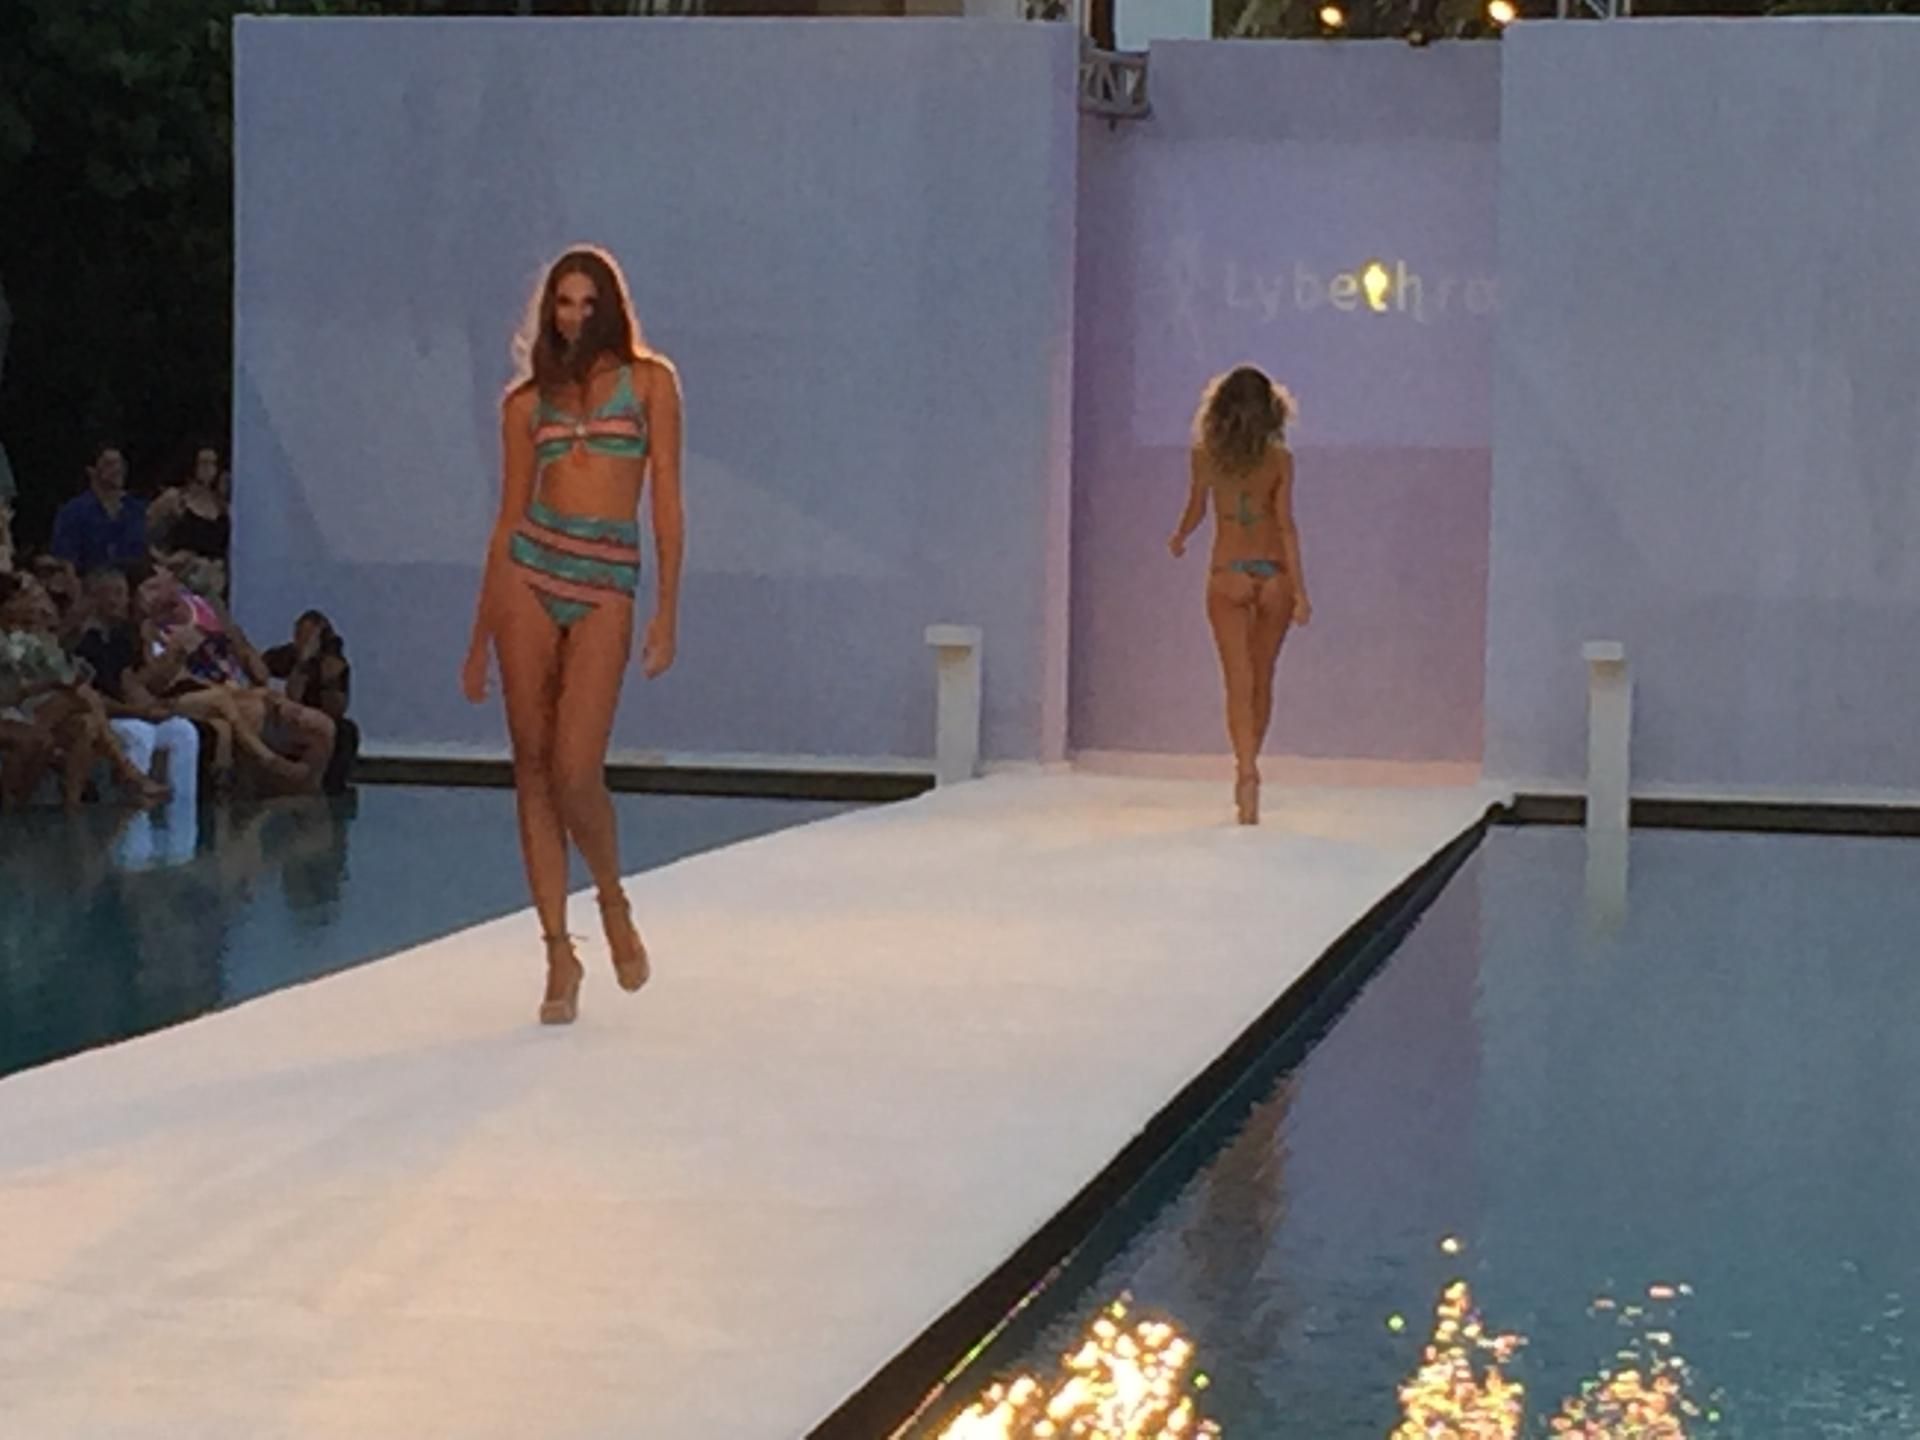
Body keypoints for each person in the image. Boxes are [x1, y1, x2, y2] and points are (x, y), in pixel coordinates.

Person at [462, 245, 684, 1025]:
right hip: (530, 573)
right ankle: (558, 952)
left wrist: (667, 612)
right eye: (564, 303)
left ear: (611, 307)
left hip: (606, 583)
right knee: (531, 767)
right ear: (549, 310)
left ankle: (613, 900)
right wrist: (478, 638)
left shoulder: (651, 384)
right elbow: (507, 520)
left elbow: (666, 503)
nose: (576, 317)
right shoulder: (527, 403)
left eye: (590, 303)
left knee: (576, 768)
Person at [1167, 366, 1311, 825]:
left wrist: (1180, 536)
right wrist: (1300, 590)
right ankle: (1253, 764)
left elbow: (1196, 508)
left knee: (1238, 681)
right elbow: (1285, 525)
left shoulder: (1206, 456)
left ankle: (1245, 770)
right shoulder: (1279, 459)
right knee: (1263, 678)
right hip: (1273, 574)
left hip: (1228, 571)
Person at [74, 564, 201, 809]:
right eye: (116, 594)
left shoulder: (119, 638)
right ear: (96, 598)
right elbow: (91, 696)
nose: (123, 601)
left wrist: (154, 707)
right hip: (105, 715)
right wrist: (139, 712)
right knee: (139, 732)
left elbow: (128, 682)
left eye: (123, 593)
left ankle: (182, 810)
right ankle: (133, 805)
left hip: (126, 710)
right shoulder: (84, 641)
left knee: (182, 730)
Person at [263, 609, 358, 794]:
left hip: (317, 718)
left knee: (346, 731)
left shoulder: (332, 664)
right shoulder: (285, 656)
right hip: (284, 717)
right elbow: (289, 693)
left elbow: (338, 708)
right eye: (299, 634)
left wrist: (328, 681)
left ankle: (332, 788)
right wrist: (301, 664)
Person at [147, 444, 232, 600]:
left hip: (214, 581)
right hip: (182, 578)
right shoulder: (176, 498)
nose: (208, 469)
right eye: (204, 463)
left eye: (213, 464)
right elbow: (144, 531)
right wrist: (164, 560)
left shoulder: (222, 506)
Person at [50, 443, 148, 575]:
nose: (118, 469)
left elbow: (145, 548)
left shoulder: (135, 508)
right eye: (109, 464)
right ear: (91, 471)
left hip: (137, 581)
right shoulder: (73, 512)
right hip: (93, 581)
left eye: (121, 464)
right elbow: (65, 561)